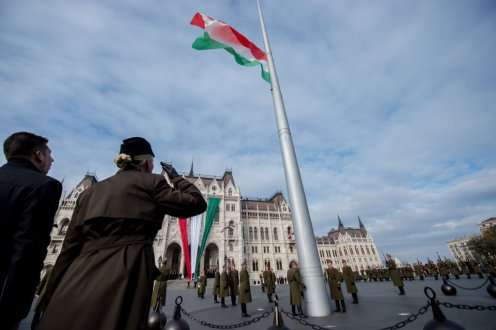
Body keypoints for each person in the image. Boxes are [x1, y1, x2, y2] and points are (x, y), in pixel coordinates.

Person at [37, 137, 207, 330]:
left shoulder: (89, 193)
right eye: (151, 161)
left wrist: (49, 296)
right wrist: (177, 178)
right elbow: (197, 203)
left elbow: (68, 249)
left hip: (77, 276)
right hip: (127, 269)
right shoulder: (152, 183)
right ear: (146, 162)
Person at [0, 132, 62, 330]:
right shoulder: (43, 186)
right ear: (38, 155)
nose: (52, 159)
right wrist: (15, 310)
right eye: (49, 154)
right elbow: (28, 251)